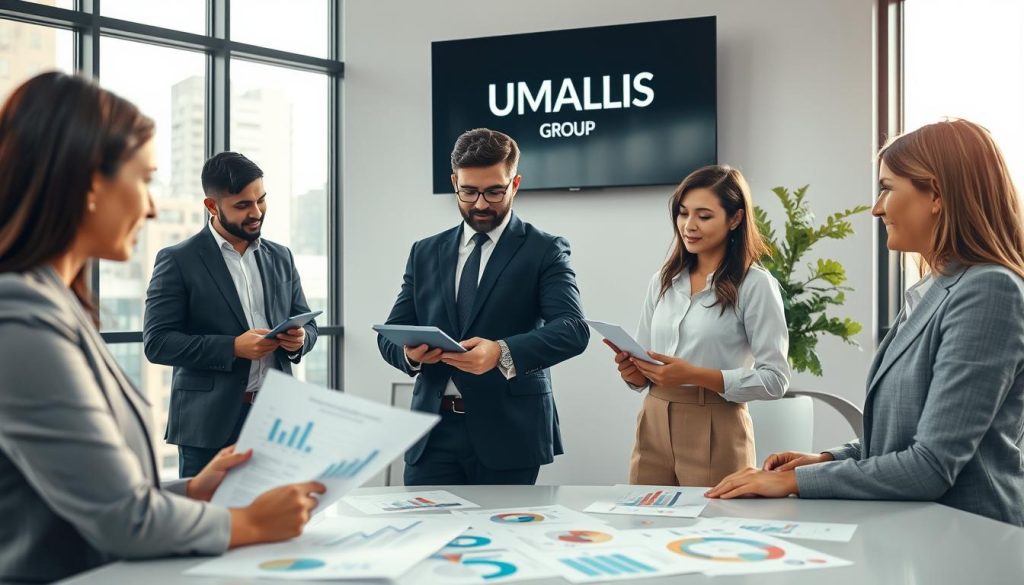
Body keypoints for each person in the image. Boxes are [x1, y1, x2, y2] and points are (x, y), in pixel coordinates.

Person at [0, 72, 325, 582]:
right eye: (145, 179)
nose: (151, 206)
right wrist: (247, 521)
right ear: (89, 183)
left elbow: (97, 499)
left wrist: (190, 492)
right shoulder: (19, 314)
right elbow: (124, 520)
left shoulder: (49, 301)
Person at [706, 119, 1024, 527]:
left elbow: (930, 465)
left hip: (970, 539)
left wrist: (797, 483)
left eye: (887, 188)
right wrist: (824, 459)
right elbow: (903, 436)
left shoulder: (988, 291)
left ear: (937, 195)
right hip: (921, 533)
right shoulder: (933, 290)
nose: (876, 207)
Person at [377, 128, 590, 486]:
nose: (479, 204)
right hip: (431, 435)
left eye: (494, 191)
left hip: (509, 433)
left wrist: (501, 352)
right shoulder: (425, 251)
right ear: (454, 183)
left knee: (506, 541)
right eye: (469, 191)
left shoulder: (544, 249)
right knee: (425, 539)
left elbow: (573, 329)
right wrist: (412, 355)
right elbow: (391, 335)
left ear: (515, 183)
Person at [607, 165, 790, 487]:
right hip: (654, 419)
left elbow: (775, 380)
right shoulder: (663, 281)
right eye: (682, 213)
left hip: (716, 424)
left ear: (734, 219)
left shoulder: (756, 285)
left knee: (713, 531)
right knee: (643, 526)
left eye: (704, 216)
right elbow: (646, 361)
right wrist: (633, 372)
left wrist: (693, 375)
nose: (688, 226)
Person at [144, 152, 319, 478]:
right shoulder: (178, 260)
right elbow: (158, 343)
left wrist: (300, 340)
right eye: (242, 206)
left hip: (275, 422)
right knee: (209, 524)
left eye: (261, 200)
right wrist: (232, 347)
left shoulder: (280, 257)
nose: (256, 213)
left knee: (274, 525)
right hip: (208, 427)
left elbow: (307, 322)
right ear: (212, 206)